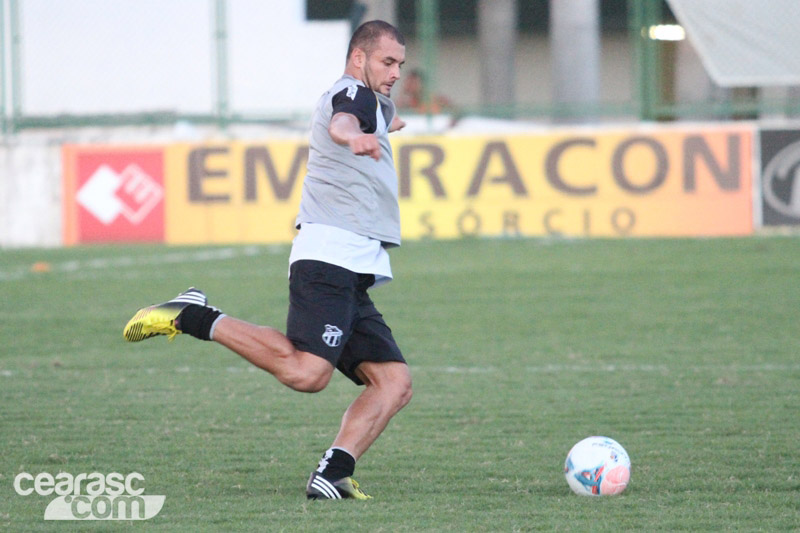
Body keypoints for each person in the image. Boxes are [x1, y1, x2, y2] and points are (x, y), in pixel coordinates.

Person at [123, 20, 412, 501]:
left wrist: (384, 127)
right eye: (388, 61)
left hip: (350, 267)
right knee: (307, 372)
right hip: (329, 261)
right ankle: (193, 314)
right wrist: (349, 136)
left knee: (394, 382)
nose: (397, 71)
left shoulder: (373, 103)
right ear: (358, 58)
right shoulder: (352, 95)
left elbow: (370, 115)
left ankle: (332, 474)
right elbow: (344, 119)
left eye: (401, 63)